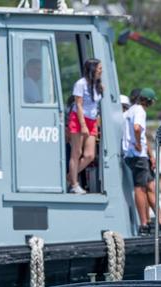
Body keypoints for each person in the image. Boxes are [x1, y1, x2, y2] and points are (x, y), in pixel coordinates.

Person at [123, 87, 161, 234]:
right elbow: (137, 129)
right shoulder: (139, 110)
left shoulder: (129, 111)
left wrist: (150, 155)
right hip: (137, 155)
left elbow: (142, 135)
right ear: (148, 100)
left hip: (138, 155)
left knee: (149, 186)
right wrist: (137, 144)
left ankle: (158, 221)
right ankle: (144, 224)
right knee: (140, 188)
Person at [68, 58, 103, 194]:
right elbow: (78, 105)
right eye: (99, 68)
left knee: (89, 155)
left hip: (92, 119)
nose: (101, 71)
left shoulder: (97, 84)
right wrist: (83, 125)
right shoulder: (80, 84)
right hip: (79, 118)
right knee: (76, 152)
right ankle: (74, 184)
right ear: (92, 69)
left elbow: (96, 105)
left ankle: (70, 176)